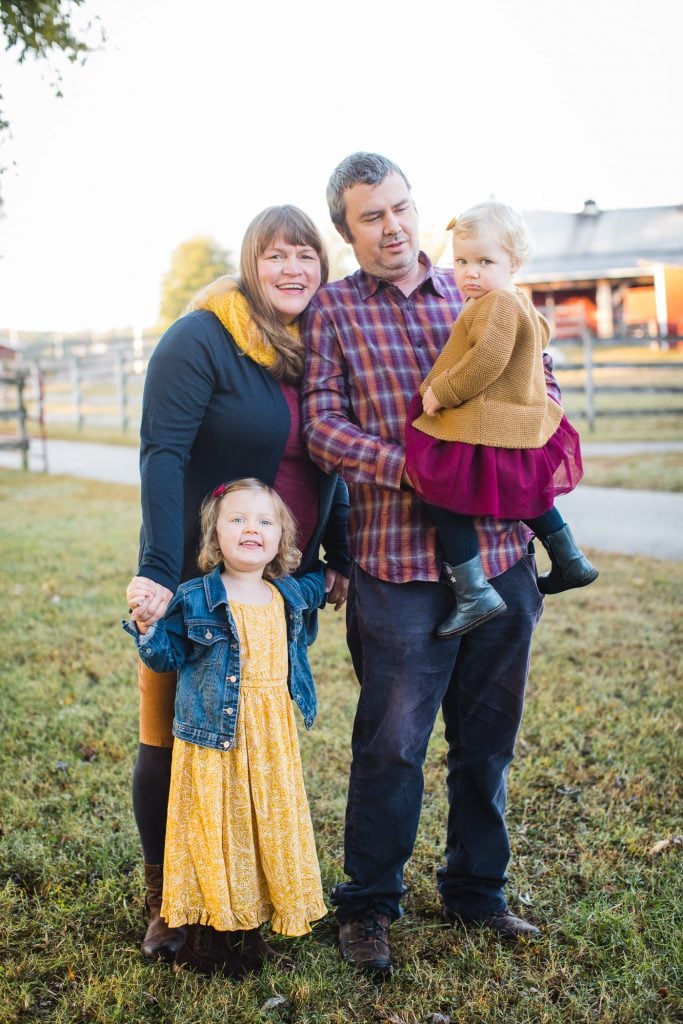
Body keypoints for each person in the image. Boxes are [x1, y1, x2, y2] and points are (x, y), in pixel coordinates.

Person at [301, 153, 553, 977]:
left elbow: (537, 381)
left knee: (486, 743)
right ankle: (369, 904)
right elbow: (321, 427)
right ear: (347, 230)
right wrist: (406, 467)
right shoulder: (332, 312)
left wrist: (520, 424)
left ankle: (477, 890)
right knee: (391, 745)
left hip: (501, 552)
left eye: (402, 208)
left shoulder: (475, 288)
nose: (394, 227)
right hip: (396, 564)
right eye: (371, 217)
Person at [126, 204, 350, 964]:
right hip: (201, 582)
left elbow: (329, 458)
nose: (293, 270)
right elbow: (161, 453)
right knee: (176, 736)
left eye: (306, 256)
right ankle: (167, 897)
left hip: (280, 585)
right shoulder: (204, 339)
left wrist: (338, 554)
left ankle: (244, 890)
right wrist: (161, 571)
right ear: (252, 265)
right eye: (276, 256)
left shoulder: (312, 347)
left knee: (253, 740)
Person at [124, 479, 327, 977]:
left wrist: (343, 566)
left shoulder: (289, 594)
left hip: (271, 741)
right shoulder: (197, 598)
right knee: (215, 835)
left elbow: (322, 586)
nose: (251, 529)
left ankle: (249, 930)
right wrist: (147, 627)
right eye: (236, 519)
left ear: (283, 537)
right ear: (215, 534)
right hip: (215, 743)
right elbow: (167, 655)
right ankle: (203, 941)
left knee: (261, 832)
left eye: (265, 521)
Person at [406, 200, 598, 639]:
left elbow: (487, 359)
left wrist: (443, 393)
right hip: (512, 426)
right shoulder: (513, 302)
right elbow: (538, 336)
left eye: (484, 261)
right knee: (525, 491)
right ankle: (569, 558)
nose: (469, 271)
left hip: (487, 424)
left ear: (514, 262)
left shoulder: (496, 305)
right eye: (461, 260)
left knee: (440, 488)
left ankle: (474, 593)